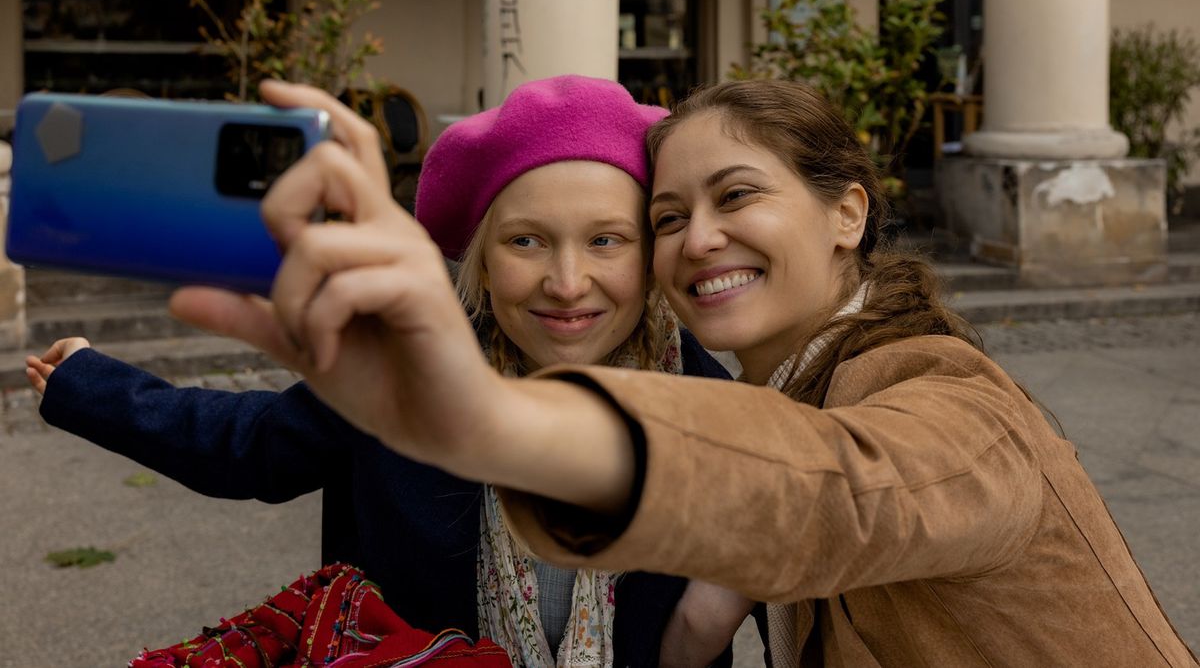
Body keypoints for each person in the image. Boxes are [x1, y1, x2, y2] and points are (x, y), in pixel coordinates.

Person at [177, 77, 1199, 667]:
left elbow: (842, 489)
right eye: (669, 216)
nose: (699, 239)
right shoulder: (789, 388)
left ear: (848, 212)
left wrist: (488, 420)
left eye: (737, 195)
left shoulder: (947, 397)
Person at [26, 76, 737, 667]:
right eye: (527, 240)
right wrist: (88, 383)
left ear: (649, 254)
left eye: (606, 240)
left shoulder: (720, 413)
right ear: (484, 262)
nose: (567, 280)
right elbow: (251, 445)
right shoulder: (405, 370)